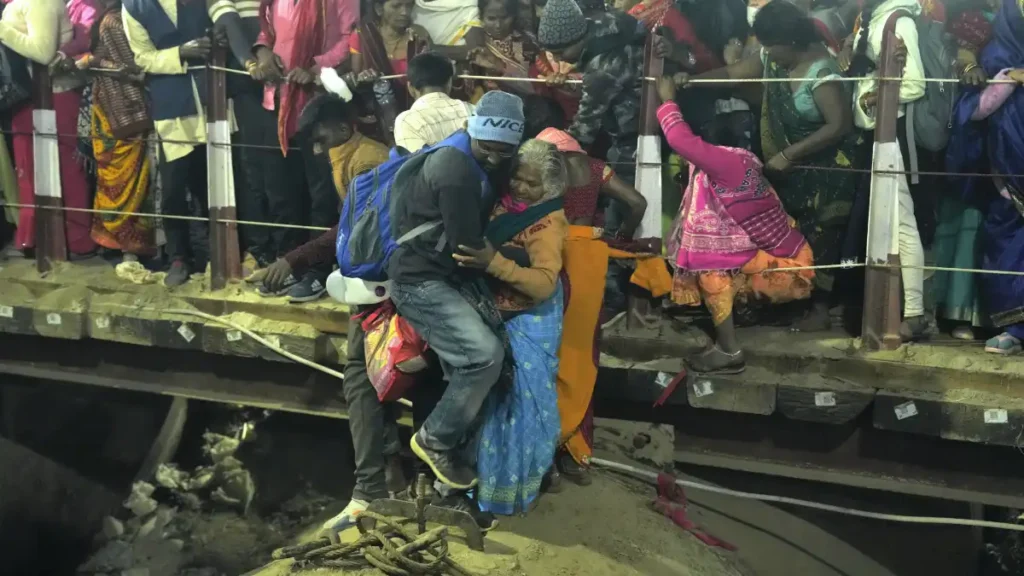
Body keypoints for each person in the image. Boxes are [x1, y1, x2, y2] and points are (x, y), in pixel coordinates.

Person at [687, 1, 857, 331]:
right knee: (788, 237)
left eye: (771, 45)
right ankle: (788, 301)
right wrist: (689, 81)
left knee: (822, 237)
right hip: (787, 172)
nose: (767, 52)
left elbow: (838, 125)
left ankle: (819, 309)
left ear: (791, 41)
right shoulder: (772, 61)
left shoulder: (822, 73)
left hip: (826, 175)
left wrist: (791, 154)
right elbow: (732, 74)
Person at [388, 91, 525, 489]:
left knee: (474, 367)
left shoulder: (465, 154)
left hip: (439, 275)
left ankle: (451, 482)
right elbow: (469, 247)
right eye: (488, 148)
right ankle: (435, 442)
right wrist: (522, 261)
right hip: (420, 281)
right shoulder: (456, 168)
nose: (495, 159)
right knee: (485, 357)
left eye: (504, 153)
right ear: (472, 129)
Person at [658, 74, 815, 374]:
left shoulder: (726, 163)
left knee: (710, 264)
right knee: (718, 249)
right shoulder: (747, 161)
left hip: (788, 271)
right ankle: (743, 312)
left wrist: (667, 99)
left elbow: (678, 138)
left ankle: (729, 350)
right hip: (793, 260)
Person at [535, 127, 660, 485]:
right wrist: (619, 239)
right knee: (583, 356)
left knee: (546, 353)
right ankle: (576, 450)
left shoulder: (543, 168)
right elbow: (637, 203)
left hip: (552, 260)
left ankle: (543, 452)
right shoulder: (594, 168)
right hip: (589, 263)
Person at [459, 138, 568, 514]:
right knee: (495, 405)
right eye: (518, 179)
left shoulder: (548, 222)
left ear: (549, 189)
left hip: (531, 319)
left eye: (532, 184)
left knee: (522, 406)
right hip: (499, 314)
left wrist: (493, 263)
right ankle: (489, 484)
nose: (521, 188)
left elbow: (542, 284)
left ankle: (515, 489)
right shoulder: (505, 205)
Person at [250, 0, 357, 299]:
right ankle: (286, 266)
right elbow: (266, 32)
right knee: (283, 191)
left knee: (322, 195)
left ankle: (317, 272)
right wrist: (263, 55)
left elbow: (350, 39)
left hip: (316, 104)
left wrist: (315, 67)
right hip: (279, 102)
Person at [845, 0, 928, 341]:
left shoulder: (899, 19)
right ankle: (894, 311)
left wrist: (870, 99)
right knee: (889, 223)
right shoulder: (872, 18)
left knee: (902, 223)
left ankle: (915, 313)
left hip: (894, 135)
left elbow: (915, 84)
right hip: (878, 135)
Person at [254, 93, 390, 299]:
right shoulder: (348, 155)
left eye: (321, 141)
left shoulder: (366, 163)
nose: (317, 151)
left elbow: (357, 225)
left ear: (344, 130)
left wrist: (293, 260)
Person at [946, 0, 1024, 355]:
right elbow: (970, 111)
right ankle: (1015, 329)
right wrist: (1007, 79)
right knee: (1006, 245)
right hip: (1008, 171)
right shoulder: (993, 55)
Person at [122, 0, 214, 285]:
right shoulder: (134, 6)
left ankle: (219, 254)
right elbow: (143, 58)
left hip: (213, 99)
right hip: (172, 105)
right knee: (174, 189)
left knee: (213, 185)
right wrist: (180, 53)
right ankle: (179, 258)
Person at [1, 0, 97, 258]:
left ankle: (74, 240)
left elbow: (42, 52)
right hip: (30, 98)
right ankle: (36, 238)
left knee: (66, 171)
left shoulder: (39, 2)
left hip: (53, 96)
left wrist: (2, 29)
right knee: (29, 171)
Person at [537, 0, 644, 186]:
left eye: (561, 51)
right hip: (641, 114)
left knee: (625, 191)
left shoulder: (601, 69)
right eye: (552, 53)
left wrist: (543, 149)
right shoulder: (604, 22)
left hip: (635, 137)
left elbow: (584, 131)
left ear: (580, 38)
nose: (556, 58)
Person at [81, 0, 156, 258]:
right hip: (125, 109)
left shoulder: (108, 17)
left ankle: (112, 242)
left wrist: (92, 61)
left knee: (112, 177)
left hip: (107, 109)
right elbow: (135, 68)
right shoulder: (115, 21)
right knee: (131, 179)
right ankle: (129, 247)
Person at [208, 0, 273, 270]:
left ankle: (289, 247)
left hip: (284, 73)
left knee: (284, 168)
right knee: (254, 169)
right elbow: (229, 24)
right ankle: (261, 249)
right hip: (247, 82)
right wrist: (250, 61)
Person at [350, 0, 431, 116]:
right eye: (396, 6)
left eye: (409, 6)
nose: (404, 12)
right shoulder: (363, 35)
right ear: (379, 9)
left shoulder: (418, 36)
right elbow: (355, 79)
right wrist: (365, 78)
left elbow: (427, 80)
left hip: (415, 114)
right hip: (375, 117)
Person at [393, 51, 475, 153]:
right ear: (449, 83)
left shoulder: (407, 121)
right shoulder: (473, 110)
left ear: (410, 87)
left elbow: (415, 166)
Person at [469, 0, 540, 98]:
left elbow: (535, 86)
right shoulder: (475, 42)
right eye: (491, 19)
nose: (498, 25)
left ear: (514, 16)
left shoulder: (528, 43)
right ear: (481, 18)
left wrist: (500, 67)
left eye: (504, 18)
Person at [413, 0, 485, 60]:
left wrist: (432, 50)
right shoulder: (411, 5)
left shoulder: (466, 5)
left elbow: (476, 52)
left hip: (456, 71)